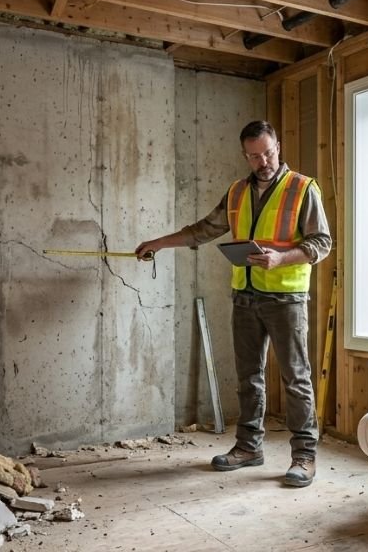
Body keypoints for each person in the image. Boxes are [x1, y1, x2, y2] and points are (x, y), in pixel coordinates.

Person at [135, 120, 331, 487]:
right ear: (245, 156)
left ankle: (304, 456)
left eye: (269, 153)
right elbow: (203, 229)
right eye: (255, 156)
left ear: (278, 147)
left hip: (286, 298)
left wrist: (281, 258)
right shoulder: (237, 192)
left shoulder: (302, 188)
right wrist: (158, 243)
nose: (263, 161)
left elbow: (321, 242)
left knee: (296, 379)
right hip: (245, 296)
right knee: (248, 379)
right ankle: (248, 447)